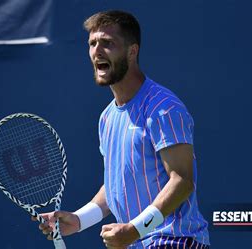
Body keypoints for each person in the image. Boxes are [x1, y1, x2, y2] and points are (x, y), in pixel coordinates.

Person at [34, 10, 210, 249]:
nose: (97, 51)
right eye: (92, 43)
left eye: (108, 43)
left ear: (132, 51)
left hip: (174, 241)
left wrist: (135, 229)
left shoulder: (163, 108)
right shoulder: (106, 118)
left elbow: (182, 181)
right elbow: (117, 184)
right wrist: (79, 220)